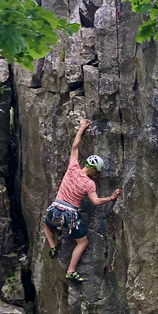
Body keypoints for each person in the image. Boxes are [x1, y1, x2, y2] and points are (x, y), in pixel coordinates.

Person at [43, 118, 120, 283]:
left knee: (46, 225)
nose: (96, 174)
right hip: (69, 216)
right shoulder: (89, 183)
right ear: (93, 169)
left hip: (54, 209)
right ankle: (70, 271)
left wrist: (81, 128)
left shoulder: (73, 167)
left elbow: (74, 147)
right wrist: (111, 198)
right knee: (83, 242)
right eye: (97, 171)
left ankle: (52, 246)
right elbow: (96, 202)